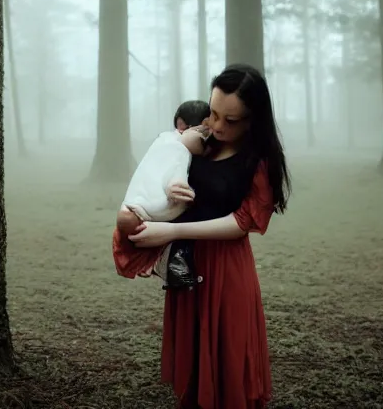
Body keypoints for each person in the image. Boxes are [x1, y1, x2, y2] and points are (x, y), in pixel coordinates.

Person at [117, 64, 291, 408]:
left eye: (231, 120)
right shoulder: (201, 139)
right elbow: (163, 163)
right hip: (186, 267)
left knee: (228, 370)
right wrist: (171, 183)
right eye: (213, 113)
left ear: (253, 119)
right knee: (196, 372)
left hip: (227, 270)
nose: (218, 126)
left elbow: (243, 222)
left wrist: (172, 230)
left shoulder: (260, 161)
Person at [116, 100, 210, 289]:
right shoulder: (175, 146)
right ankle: (166, 263)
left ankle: (165, 262)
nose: (208, 139)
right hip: (152, 206)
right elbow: (172, 168)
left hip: (140, 209)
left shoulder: (166, 142)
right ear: (183, 126)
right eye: (204, 131)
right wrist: (175, 184)